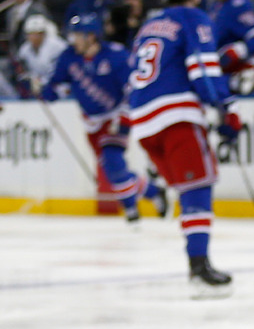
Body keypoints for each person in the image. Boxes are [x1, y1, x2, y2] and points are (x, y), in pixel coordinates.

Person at [125, 0, 242, 298]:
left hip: (144, 123)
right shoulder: (194, 18)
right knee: (199, 187)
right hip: (175, 116)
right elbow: (203, 69)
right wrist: (225, 108)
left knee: (188, 189)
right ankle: (199, 265)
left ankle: (196, 260)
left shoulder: (149, 25)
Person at [41, 12, 168, 224]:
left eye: (78, 35)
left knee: (112, 159)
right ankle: (152, 191)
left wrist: (126, 119)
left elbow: (132, 88)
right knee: (111, 170)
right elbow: (58, 85)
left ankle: (130, 209)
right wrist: (45, 90)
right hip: (90, 120)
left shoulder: (116, 56)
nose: (73, 40)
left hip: (115, 115)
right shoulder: (69, 57)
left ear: (91, 36)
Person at [14, 14, 67, 97]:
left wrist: (42, 81)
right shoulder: (24, 49)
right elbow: (22, 71)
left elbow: (62, 70)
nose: (33, 37)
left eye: (37, 33)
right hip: (37, 86)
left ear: (43, 33)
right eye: (30, 34)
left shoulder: (58, 46)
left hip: (59, 84)